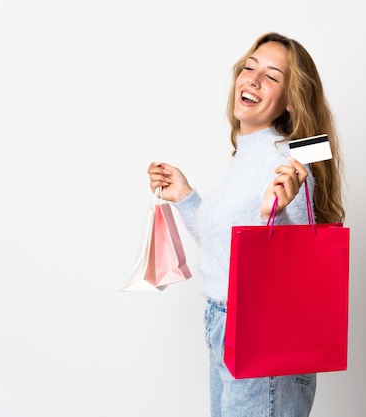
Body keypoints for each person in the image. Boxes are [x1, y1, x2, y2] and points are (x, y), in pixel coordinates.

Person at [147, 32, 345, 417]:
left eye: (271, 76)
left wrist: (286, 209)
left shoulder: (288, 160)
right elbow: (228, 250)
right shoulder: (248, 155)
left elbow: (302, 260)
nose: (252, 80)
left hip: (259, 330)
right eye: (249, 68)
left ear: (291, 100)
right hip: (222, 325)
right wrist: (186, 197)